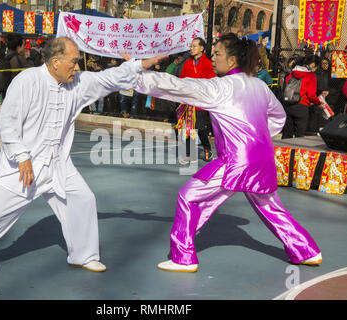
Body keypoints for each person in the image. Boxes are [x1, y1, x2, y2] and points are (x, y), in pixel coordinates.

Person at [0, 37, 166, 279]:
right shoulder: (27, 81)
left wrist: (140, 65)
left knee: (83, 199)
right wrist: (22, 156)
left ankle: (84, 255)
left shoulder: (77, 82)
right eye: (74, 62)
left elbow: (107, 79)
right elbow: (6, 121)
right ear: (55, 61)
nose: (78, 68)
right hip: (24, 165)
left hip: (58, 162)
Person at [134, 33, 322, 272]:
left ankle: (183, 258)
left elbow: (179, 86)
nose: (213, 58)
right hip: (262, 159)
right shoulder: (260, 86)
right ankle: (307, 250)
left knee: (188, 196)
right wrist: (258, 136)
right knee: (271, 207)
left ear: (232, 61)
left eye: (217, 54)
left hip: (235, 162)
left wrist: (138, 76)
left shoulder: (219, 87)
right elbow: (279, 117)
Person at [176, 37, 216, 164]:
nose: (191, 49)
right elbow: (182, 78)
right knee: (188, 128)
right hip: (188, 101)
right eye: (191, 46)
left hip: (201, 101)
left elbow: (211, 81)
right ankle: (189, 153)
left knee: (201, 128)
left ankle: (207, 148)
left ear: (201, 48)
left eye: (194, 46)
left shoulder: (208, 63)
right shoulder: (187, 63)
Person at [281, 55, 326, 139]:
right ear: (313, 65)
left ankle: (284, 151)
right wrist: (318, 103)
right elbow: (311, 95)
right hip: (301, 107)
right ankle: (297, 152)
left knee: (287, 134)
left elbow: (285, 87)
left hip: (288, 105)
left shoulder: (292, 73)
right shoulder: (311, 75)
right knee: (299, 135)